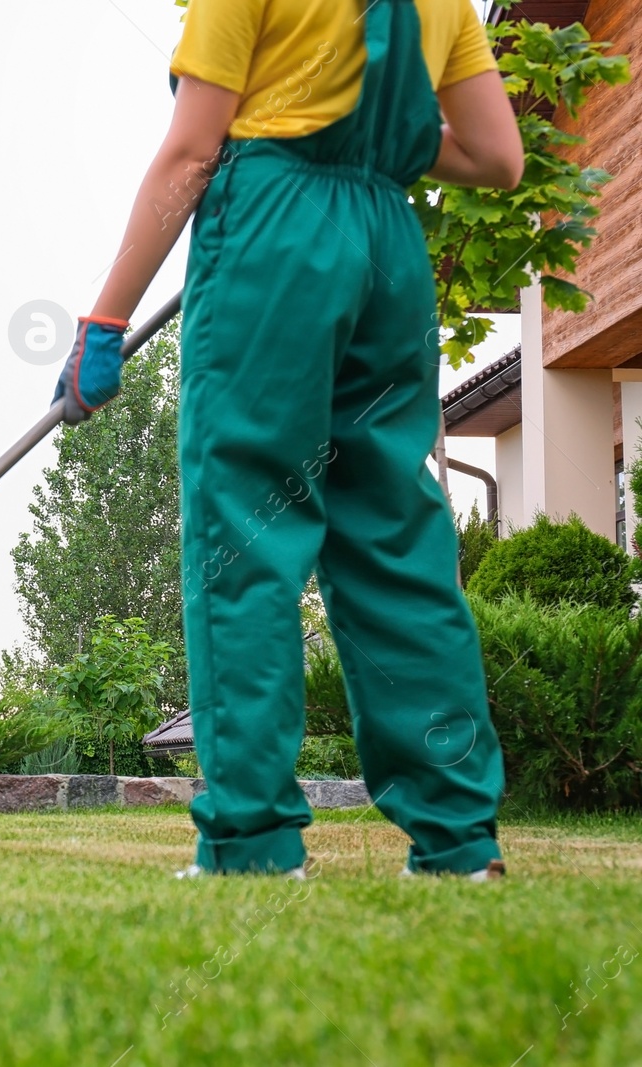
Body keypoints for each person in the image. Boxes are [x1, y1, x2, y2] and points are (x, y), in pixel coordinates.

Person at [53, 0, 523, 879]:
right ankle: (460, 841)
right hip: (387, 247)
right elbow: (500, 157)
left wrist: (106, 316)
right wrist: (382, 154)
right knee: (398, 538)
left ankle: (254, 842)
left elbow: (194, 154)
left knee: (248, 531)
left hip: (273, 232)